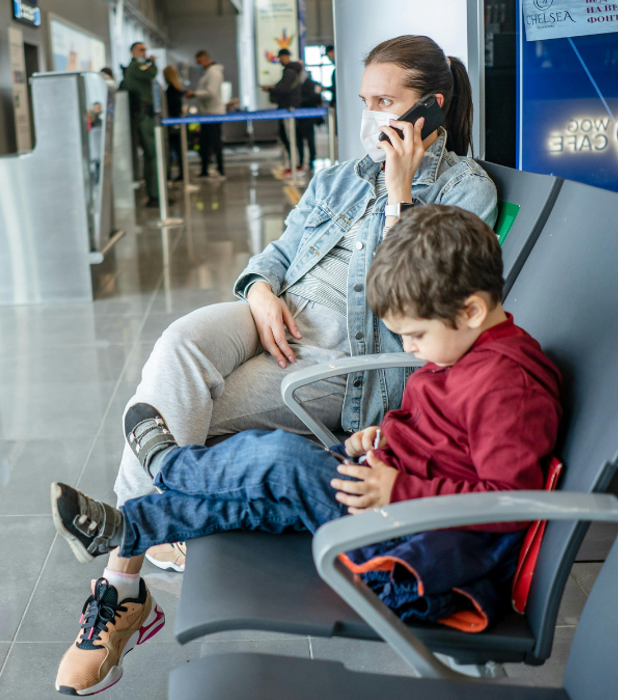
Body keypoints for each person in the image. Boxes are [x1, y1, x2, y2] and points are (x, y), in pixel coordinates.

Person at [53, 34, 496, 694]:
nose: (371, 116)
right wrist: (260, 291)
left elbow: (410, 304)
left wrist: (399, 196)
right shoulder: (342, 176)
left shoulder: (466, 190)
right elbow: (279, 253)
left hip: (344, 358)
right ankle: (148, 540)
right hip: (277, 315)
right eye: (365, 101)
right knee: (179, 344)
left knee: (180, 416)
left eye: (385, 102)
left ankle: (120, 584)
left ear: (429, 107)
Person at [52, 204, 561, 694]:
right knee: (253, 499)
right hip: (388, 509)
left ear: (471, 310)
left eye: (415, 335)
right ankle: (129, 528)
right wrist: (383, 435)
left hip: (413, 561)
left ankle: (172, 465)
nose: (408, 349)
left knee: (281, 461)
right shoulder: (463, 350)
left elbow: (507, 501)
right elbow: (446, 438)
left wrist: (397, 489)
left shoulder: (507, 387)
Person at [119, 42, 163, 208]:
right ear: (133, 52)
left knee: (152, 155)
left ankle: (155, 193)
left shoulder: (136, 68)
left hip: (145, 114)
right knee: (153, 153)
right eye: (141, 50)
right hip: (144, 116)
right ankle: (154, 194)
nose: (144, 53)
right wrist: (153, 62)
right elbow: (152, 73)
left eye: (145, 50)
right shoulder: (136, 67)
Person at [264, 48, 307, 174]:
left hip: (288, 109)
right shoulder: (294, 71)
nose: (280, 60)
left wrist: (270, 89)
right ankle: (297, 164)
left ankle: (296, 165)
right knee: (293, 136)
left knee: (290, 137)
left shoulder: (289, 72)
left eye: (280, 57)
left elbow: (283, 89)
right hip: (292, 108)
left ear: (284, 56)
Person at [190, 50, 225, 180]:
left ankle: (221, 170)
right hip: (205, 114)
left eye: (199, 62)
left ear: (205, 59)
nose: (198, 65)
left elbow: (211, 93)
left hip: (213, 114)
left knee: (215, 143)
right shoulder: (206, 73)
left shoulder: (214, 73)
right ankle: (204, 170)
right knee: (203, 143)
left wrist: (195, 94)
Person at [163, 65, 186, 181]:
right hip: (176, 123)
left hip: (173, 124)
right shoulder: (177, 89)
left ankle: (171, 175)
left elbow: (172, 108)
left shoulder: (171, 90)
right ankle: (181, 174)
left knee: (173, 150)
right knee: (178, 149)